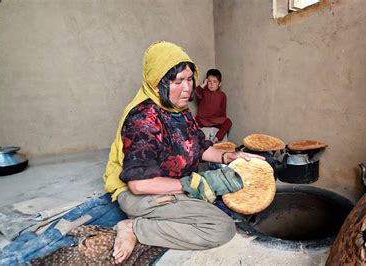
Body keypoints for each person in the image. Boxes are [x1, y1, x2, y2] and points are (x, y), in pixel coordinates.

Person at [102, 41, 264, 264]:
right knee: (221, 227)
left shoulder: (180, 112)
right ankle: (134, 227)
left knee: (215, 198)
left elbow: (201, 147)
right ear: (157, 84)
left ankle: (161, 215)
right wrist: (193, 185)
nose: (187, 88)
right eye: (178, 81)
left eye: (190, 79)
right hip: (142, 194)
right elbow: (139, 185)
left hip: (172, 185)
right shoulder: (143, 119)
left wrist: (229, 157)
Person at [195, 69, 232, 143]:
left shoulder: (222, 95)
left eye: (215, 82)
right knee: (191, 121)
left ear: (219, 84)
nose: (211, 84)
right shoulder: (203, 92)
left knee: (228, 122)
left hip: (215, 119)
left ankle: (216, 138)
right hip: (202, 119)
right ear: (206, 81)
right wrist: (203, 85)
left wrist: (222, 123)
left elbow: (223, 111)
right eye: (209, 81)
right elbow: (196, 92)